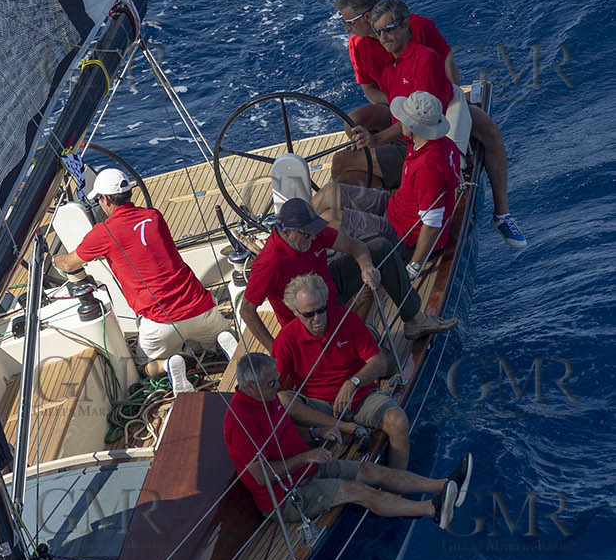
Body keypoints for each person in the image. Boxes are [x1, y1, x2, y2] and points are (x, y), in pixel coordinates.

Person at [332, 0, 526, 248]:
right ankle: (382, 199)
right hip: (400, 102)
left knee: (488, 130)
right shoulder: (359, 46)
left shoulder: (418, 31)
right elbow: (370, 91)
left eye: (349, 22)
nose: (346, 29)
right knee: (353, 121)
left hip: (433, 105)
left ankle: (502, 214)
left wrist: (448, 111)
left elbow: (448, 70)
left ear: (366, 17)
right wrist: (403, 103)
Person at [224, 351, 470, 527]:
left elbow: (285, 432)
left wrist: (315, 433)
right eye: (271, 383)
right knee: (356, 490)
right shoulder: (240, 422)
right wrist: (307, 456)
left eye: (277, 380)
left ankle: (444, 485)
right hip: (285, 495)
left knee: (370, 470)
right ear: (250, 386)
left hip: (307, 469)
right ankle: (432, 510)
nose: (278, 386)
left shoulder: (267, 398)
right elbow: (260, 475)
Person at [58, 167, 232, 379]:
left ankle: (169, 365)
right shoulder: (154, 216)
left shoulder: (103, 234)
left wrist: (55, 260)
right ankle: (223, 340)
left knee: (143, 369)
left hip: (159, 323)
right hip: (200, 308)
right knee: (216, 338)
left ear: (105, 200)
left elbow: (69, 264)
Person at [314, 90, 466, 291]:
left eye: (402, 119)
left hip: (401, 236)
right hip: (396, 205)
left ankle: (298, 257)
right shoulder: (437, 144)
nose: (398, 122)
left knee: (328, 220)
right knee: (329, 193)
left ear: (413, 127)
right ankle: (286, 236)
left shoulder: (428, 167)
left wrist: (414, 266)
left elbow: (432, 224)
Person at [273, 271, 416, 468]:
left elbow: (379, 361)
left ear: (326, 302)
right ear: (295, 312)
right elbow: (273, 388)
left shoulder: (346, 319)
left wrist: (352, 383)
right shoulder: (286, 340)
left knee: (398, 421)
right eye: (309, 314)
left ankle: (398, 486)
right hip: (319, 406)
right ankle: (347, 428)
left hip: (360, 398)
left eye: (321, 310)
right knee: (283, 399)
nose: (317, 318)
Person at [239, 197, 419, 353]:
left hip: (329, 285)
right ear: (286, 232)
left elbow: (353, 245)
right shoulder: (269, 263)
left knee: (380, 247)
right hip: (312, 317)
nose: (315, 238)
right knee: (374, 355)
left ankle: (414, 318)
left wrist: (367, 267)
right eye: (307, 235)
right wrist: (275, 350)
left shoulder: (310, 231)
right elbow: (246, 310)